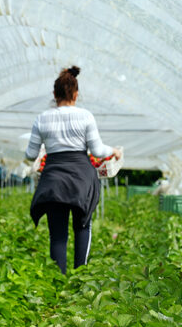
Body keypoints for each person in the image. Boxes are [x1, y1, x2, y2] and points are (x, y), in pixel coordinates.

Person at [26, 66, 120, 273]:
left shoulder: (42, 118)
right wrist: (114, 150)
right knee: (83, 226)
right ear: (76, 94)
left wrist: (48, 147)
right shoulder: (85, 116)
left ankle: (58, 282)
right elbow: (97, 150)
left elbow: (30, 155)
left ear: (54, 94)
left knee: (58, 234)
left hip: (54, 180)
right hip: (81, 179)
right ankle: (79, 277)